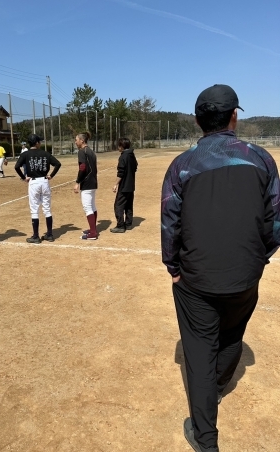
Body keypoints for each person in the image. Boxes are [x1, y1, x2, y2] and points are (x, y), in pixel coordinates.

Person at [161, 84, 280, 452]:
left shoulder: (182, 164)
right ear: (234, 116)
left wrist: (173, 267)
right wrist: (259, 257)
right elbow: (274, 221)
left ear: (198, 121)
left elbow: (170, 223)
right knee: (231, 336)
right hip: (245, 275)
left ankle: (206, 437)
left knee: (199, 350)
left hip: (196, 278)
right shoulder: (261, 160)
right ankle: (214, 387)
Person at [14, 134, 61, 243]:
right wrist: (51, 175)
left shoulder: (25, 154)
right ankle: (49, 234)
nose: (40, 143)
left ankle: (36, 236)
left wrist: (23, 178)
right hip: (44, 181)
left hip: (33, 182)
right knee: (47, 209)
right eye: (39, 141)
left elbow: (17, 167)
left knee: (34, 209)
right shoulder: (45, 153)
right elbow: (58, 164)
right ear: (36, 143)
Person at [110, 137, 138, 233]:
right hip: (131, 185)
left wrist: (116, 184)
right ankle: (129, 224)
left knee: (118, 205)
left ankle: (120, 226)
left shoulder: (123, 156)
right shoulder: (131, 155)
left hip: (124, 186)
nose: (118, 147)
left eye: (119, 145)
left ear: (122, 146)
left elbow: (121, 172)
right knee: (129, 205)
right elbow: (135, 167)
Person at [73, 131, 98, 240]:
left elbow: (82, 168)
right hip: (93, 181)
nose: (75, 142)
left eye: (76, 140)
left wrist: (78, 182)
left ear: (82, 140)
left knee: (87, 207)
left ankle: (93, 233)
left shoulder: (82, 151)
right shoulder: (91, 151)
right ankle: (93, 229)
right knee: (92, 206)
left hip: (87, 182)